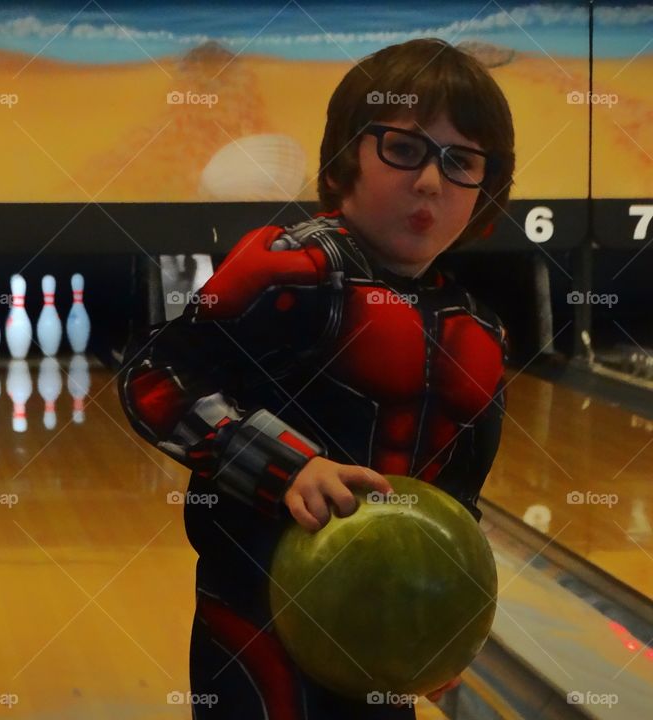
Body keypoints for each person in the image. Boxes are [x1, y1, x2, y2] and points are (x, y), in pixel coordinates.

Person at [119, 37, 515, 718]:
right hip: (256, 622)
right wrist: (289, 469)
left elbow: (458, 505)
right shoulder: (294, 269)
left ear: (487, 188)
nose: (430, 182)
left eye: (462, 162)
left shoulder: (480, 336)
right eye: (404, 148)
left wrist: (450, 626)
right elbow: (156, 380)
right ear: (345, 159)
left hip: (387, 638)